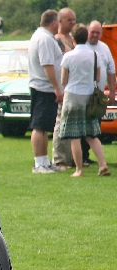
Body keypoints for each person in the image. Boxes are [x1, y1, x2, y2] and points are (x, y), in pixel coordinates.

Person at [58, 24, 109, 176]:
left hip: (73, 96)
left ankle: (79, 169)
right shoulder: (95, 55)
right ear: (86, 37)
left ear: (73, 39)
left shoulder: (68, 56)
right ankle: (103, 165)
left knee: (75, 135)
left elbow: (63, 80)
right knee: (91, 134)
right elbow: (98, 77)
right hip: (89, 97)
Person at [28, 10, 64, 174]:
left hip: (44, 87)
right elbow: (47, 65)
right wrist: (57, 87)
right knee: (39, 126)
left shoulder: (44, 37)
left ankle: (44, 161)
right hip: (43, 87)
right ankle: (39, 163)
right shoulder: (44, 39)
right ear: (54, 23)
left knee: (44, 126)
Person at [81, 21, 116, 165]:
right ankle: (80, 156)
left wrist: (112, 91)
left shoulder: (104, 47)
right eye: (92, 32)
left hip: (98, 94)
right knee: (81, 126)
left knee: (95, 125)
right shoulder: (81, 46)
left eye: (97, 32)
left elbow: (111, 71)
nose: (95, 35)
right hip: (82, 93)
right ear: (87, 31)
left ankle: (86, 155)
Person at [52, 7, 76, 168]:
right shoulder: (57, 40)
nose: (73, 23)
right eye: (70, 20)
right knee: (60, 123)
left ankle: (72, 157)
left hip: (74, 89)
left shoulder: (72, 38)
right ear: (60, 21)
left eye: (74, 20)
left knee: (72, 125)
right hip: (64, 87)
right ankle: (59, 158)